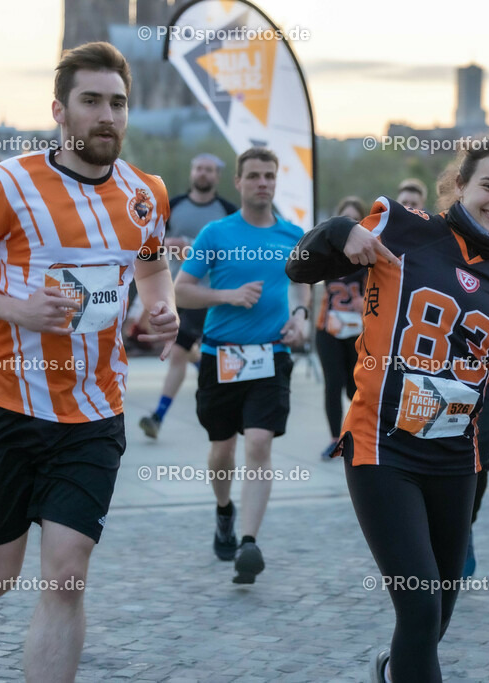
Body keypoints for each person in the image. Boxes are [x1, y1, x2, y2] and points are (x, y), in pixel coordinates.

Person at [0, 42, 178, 681]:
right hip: (8, 405)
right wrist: (16, 310)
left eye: (117, 103)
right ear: (60, 110)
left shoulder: (146, 192)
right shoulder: (8, 184)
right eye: (91, 101)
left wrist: (162, 306)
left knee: (66, 575)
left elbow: (151, 265)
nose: (106, 116)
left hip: (95, 411)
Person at [287, 136, 489, 683]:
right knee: (418, 607)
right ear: (459, 185)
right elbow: (299, 267)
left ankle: (395, 669)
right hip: (382, 447)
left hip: (455, 461)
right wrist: (337, 232)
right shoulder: (403, 228)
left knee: (437, 611)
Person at [174, 147, 310, 583]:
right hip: (220, 357)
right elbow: (181, 291)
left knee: (257, 444)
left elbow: (303, 287)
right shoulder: (216, 233)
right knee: (222, 450)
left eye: (269, 176)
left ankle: (249, 544)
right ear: (238, 181)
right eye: (253, 176)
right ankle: (223, 510)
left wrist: (301, 317)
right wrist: (226, 296)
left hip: (272, 356)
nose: (263, 183)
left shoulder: (293, 235)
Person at [138, 153, 238, 439]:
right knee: (176, 350)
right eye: (199, 169)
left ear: (217, 176)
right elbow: (150, 242)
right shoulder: (173, 205)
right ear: (192, 173)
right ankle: (161, 411)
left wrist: (195, 251)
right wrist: (168, 244)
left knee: (193, 353)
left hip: (211, 294)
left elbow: (235, 253)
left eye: (209, 170)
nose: (203, 174)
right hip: (176, 289)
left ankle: (162, 415)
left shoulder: (228, 211)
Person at [316, 196, 367, 459]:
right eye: (345, 222)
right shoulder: (326, 253)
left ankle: (357, 433)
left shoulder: (369, 255)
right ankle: (335, 439)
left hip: (358, 331)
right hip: (329, 329)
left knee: (354, 386)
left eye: (355, 222)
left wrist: (367, 300)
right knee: (333, 384)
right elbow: (302, 274)